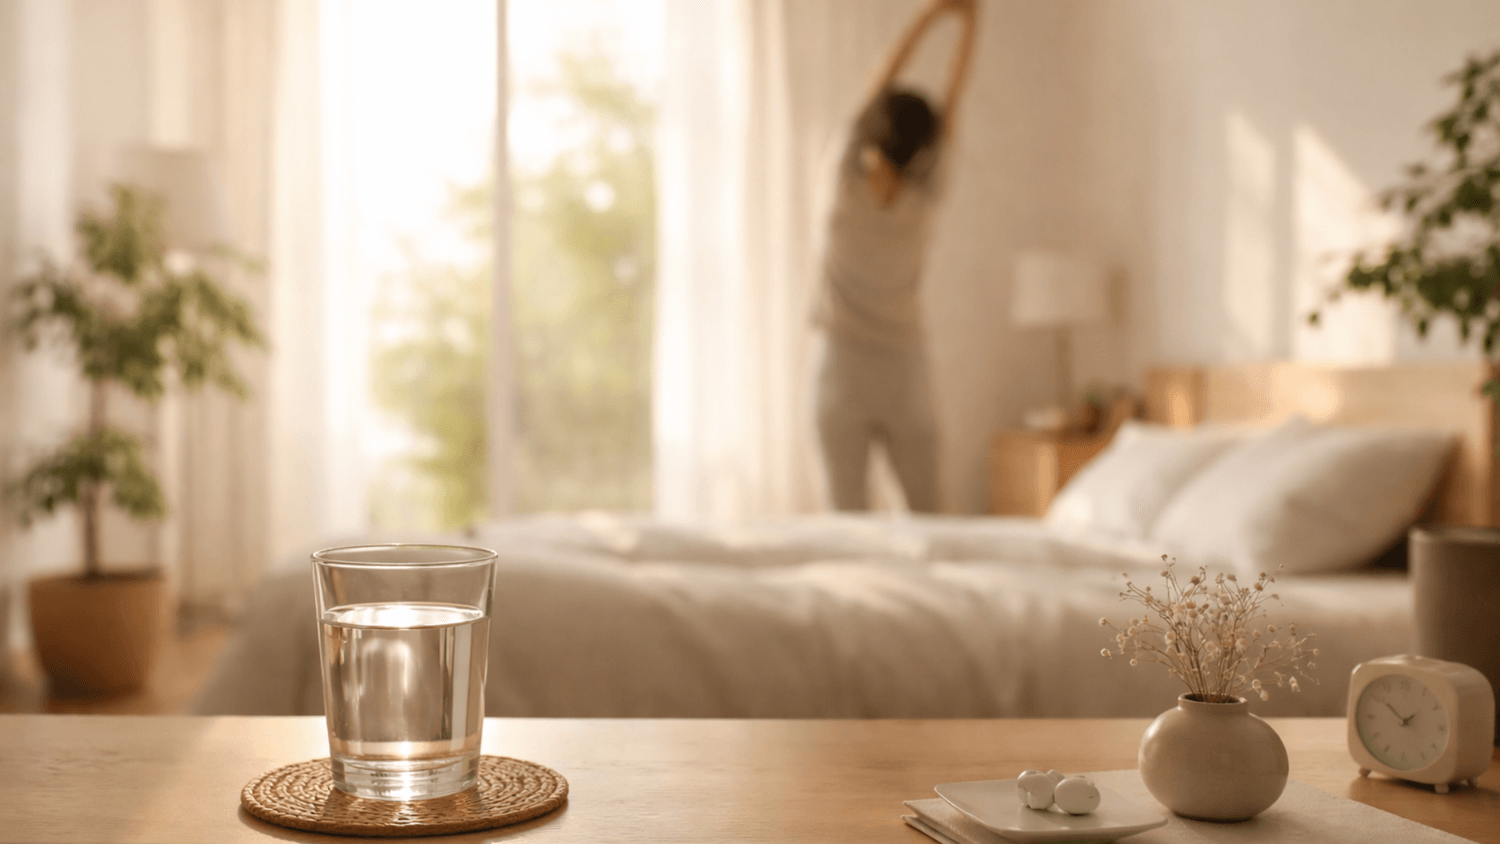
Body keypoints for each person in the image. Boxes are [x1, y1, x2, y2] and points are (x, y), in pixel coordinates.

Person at [812, 0, 978, 512]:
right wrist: (971, 24)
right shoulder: (923, 199)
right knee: (931, 520)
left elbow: (880, 83)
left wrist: (930, 17)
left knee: (847, 525)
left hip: (840, 363)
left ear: (875, 135)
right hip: (904, 367)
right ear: (923, 151)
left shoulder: (843, 184)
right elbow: (954, 100)